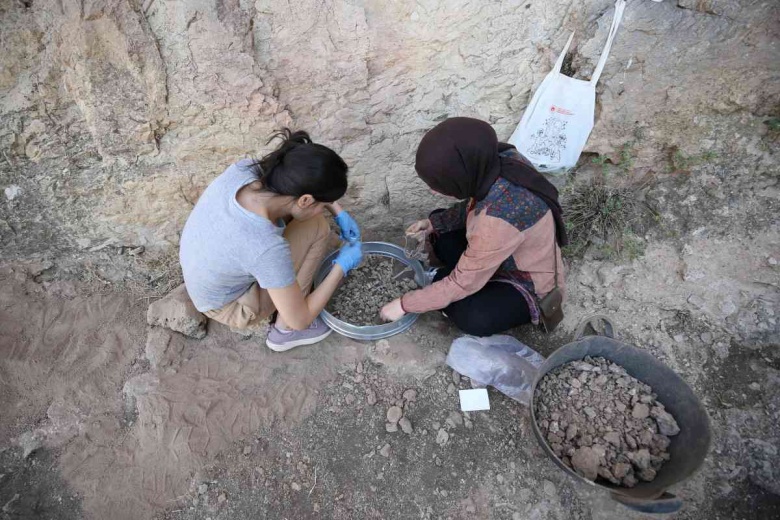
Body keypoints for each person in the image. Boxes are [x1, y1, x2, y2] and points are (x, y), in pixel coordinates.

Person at [179, 129, 363, 351]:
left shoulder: (246, 171)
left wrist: (338, 211)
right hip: (230, 305)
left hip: (204, 274)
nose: (325, 208)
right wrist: (341, 267)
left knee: (312, 223)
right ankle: (284, 333)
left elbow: (302, 191)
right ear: (306, 199)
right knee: (317, 228)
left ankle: (280, 297)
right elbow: (301, 318)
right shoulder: (265, 247)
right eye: (323, 204)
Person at [380, 117, 567, 336]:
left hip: (524, 280)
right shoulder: (500, 161)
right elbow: (473, 206)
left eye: (438, 183)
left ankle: (450, 285)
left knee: (472, 316)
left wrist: (403, 304)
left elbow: (462, 283)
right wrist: (431, 224)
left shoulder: (499, 219)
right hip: (497, 250)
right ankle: (446, 276)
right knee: (441, 224)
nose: (433, 190)